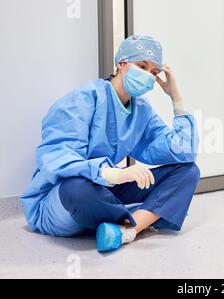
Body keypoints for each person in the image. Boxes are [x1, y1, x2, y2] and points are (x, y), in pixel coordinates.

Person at [20, 35, 200, 252]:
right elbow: (57, 157)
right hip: (61, 199)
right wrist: (113, 174)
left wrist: (176, 98)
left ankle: (127, 231)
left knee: (187, 171)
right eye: (142, 66)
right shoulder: (83, 99)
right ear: (122, 64)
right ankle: (141, 219)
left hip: (106, 191)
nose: (148, 76)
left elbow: (184, 152)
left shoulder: (141, 111)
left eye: (154, 72)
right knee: (77, 189)